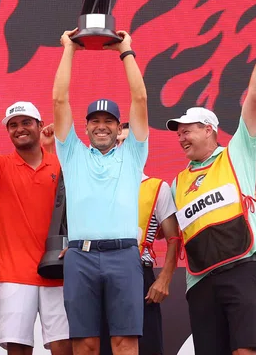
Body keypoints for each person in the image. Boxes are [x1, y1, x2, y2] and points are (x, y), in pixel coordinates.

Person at [169, 4, 256, 355]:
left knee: (244, 350)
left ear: (210, 130)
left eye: (189, 130)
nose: (182, 137)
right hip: (200, 280)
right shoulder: (177, 182)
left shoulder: (237, 153)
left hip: (240, 268)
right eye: (179, 133)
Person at [52, 29, 149, 355]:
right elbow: (59, 100)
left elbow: (140, 99)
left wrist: (126, 51)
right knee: (86, 345)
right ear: (86, 126)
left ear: (120, 127)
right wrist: (69, 49)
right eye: (95, 120)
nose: (102, 126)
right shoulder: (72, 153)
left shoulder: (133, 154)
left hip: (123, 255)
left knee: (124, 344)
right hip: (80, 257)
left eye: (109, 120)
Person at [0, 91, 72, 355]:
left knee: (64, 348)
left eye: (25, 122)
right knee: (18, 349)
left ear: (39, 124)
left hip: (58, 268)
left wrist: (53, 148)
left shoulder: (61, 162)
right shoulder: (0, 165)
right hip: (15, 274)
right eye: (13, 125)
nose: (19, 129)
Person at [99, 167, 179, 355]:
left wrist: (164, 279)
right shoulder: (97, 187)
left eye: (126, 142)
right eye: (117, 143)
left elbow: (174, 238)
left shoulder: (157, 187)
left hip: (139, 274)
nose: (120, 148)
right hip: (99, 274)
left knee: (145, 346)